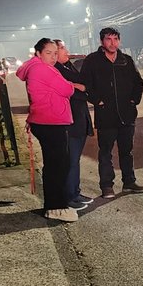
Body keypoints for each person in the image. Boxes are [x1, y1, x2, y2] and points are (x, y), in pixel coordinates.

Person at [15, 38, 77, 222]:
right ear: (38, 54)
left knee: (55, 164)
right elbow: (67, 89)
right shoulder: (42, 69)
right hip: (51, 122)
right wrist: (69, 85)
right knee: (58, 165)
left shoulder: (36, 67)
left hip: (47, 120)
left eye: (55, 53)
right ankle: (56, 207)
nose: (53, 57)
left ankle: (55, 205)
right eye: (48, 53)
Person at [82, 27, 143, 198]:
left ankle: (129, 182)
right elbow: (86, 85)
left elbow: (138, 83)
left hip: (126, 115)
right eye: (109, 39)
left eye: (116, 39)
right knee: (105, 152)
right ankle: (106, 186)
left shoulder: (126, 60)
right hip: (106, 115)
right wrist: (98, 101)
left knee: (127, 151)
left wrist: (133, 100)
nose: (113, 43)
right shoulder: (92, 61)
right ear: (102, 41)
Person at [53, 39, 93, 210]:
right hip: (69, 122)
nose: (66, 51)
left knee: (75, 160)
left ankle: (75, 192)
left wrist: (81, 87)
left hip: (80, 120)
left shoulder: (69, 67)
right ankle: (69, 196)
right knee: (70, 161)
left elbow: (86, 87)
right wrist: (80, 89)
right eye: (61, 48)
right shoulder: (56, 71)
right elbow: (69, 93)